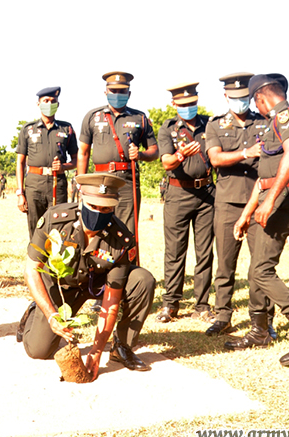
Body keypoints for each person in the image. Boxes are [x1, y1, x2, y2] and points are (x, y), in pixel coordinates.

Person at [16, 173, 156, 380]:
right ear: (81, 199)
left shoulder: (120, 238)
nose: (99, 213)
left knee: (143, 280)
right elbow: (31, 269)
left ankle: (121, 345)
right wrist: (51, 315)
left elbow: (111, 300)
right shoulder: (55, 221)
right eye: (93, 206)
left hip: (97, 284)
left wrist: (97, 350)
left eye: (106, 208)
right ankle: (37, 309)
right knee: (38, 351)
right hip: (61, 286)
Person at [226, 73, 289, 366]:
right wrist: (246, 213)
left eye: (255, 102)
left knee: (263, 270)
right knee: (256, 269)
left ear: (261, 98)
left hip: (283, 201)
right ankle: (260, 330)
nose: (256, 107)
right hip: (268, 198)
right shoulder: (272, 125)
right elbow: (263, 177)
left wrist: (271, 201)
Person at [204, 73, 277, 338]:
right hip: (227, 202)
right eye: (234, 98)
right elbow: (215, 159)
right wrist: (246, 153)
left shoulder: (266, 122)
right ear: (226, 97)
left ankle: (262, 319)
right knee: (225, 264)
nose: (240, 102)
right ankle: (223, 315)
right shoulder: (214, 126)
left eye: (244, 98)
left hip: (259, 203)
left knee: (260, 264)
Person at [156, 82, 216, 324]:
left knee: (205, 252)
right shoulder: (167, 129)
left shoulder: (210, 125)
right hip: (178, 194)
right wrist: (182, 155)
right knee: (175, 251)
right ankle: (170, 303)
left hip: (207, 195)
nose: (188, 107)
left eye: (191, 103)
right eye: (183, 105)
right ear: (174, 105)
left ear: (197, 100)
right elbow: (166, 162)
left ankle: (201, 305)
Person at [77, 71, 159, 237]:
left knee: (127, 231)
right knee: (96, 229)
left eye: (122, 91)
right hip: (99, 180)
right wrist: (81, 183)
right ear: (106, 92)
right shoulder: (92, 116)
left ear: (129, 93)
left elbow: (155, 151)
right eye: (113, 91)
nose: (117, 94)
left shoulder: (139, 118)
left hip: (126, 182)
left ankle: (126, 263)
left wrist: (141, 155)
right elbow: (83, 153)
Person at [16, 86, 78, 240]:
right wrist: (20, 193)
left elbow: (77, 160)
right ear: (38, 104)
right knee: (35, 227)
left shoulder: (66, 129)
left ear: (58, 104)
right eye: (46, 101)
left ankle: (55, 263)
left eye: (53, 101)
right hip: (34, 184)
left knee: (60, 225)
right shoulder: (28, 129)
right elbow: (20, 162)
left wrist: (64, 167)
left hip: (58, 183)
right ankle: (36, 262)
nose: (49, 104)